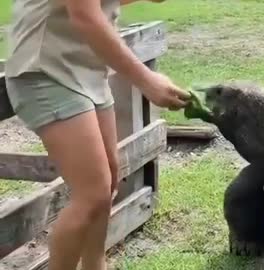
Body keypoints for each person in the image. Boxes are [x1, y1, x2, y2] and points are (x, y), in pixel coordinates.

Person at [4, 0, 190, 269]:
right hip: (45, 70)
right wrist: (147, 81)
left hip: (85, 69)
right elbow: (84, 15)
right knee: (92, 193)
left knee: (107, 183)